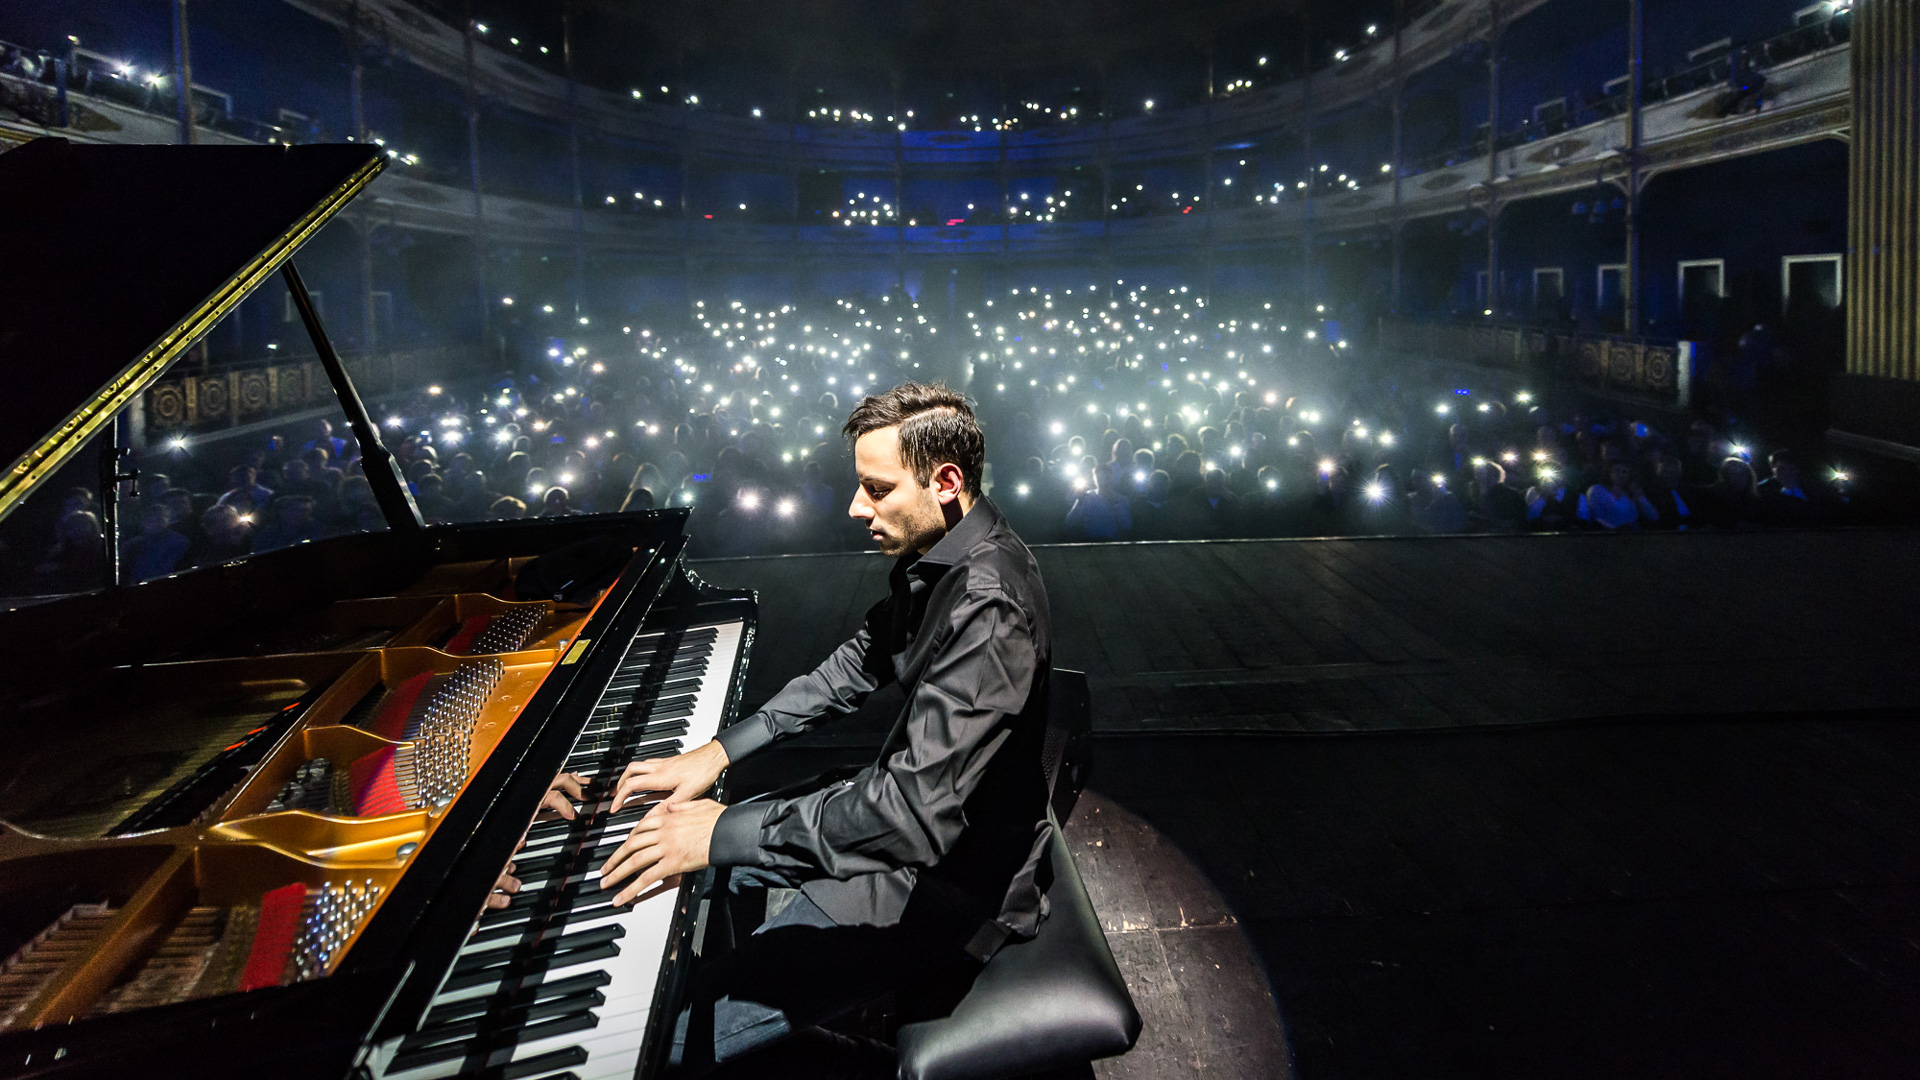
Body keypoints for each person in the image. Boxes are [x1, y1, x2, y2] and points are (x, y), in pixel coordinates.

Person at [592, 383, 1053, 1077]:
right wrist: (719, 752)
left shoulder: (988, 605)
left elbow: (909, 818)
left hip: (944, 889)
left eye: (877, 488)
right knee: (712, 867)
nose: (855, 508)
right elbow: (857, 663)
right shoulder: (944, 555)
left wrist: (719, 832)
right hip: (913, 835)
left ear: (946, 481)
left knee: (668, 1032)